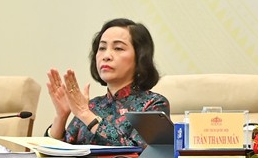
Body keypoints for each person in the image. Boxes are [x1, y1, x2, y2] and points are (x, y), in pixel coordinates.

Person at [46, 18, 169, 146]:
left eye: (118, 48)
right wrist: (61, 117)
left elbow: (138, 150)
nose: (106, 56)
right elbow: (56, 153)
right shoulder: (92, 106)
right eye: (102, 48)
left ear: (140, 57)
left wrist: (86, 115)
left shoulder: (153, 104)